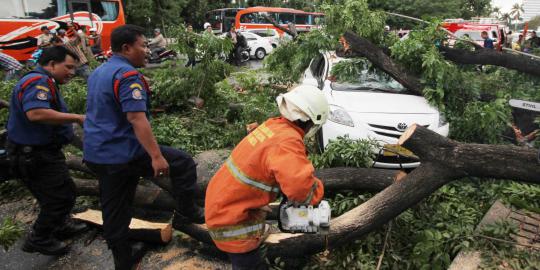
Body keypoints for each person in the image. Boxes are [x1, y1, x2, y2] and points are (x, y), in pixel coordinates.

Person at [83, 24, 204, 269]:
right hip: (122, 152)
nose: (147, 51)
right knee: (183, 163)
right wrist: (156, 157)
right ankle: (186, 213)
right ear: (127, 48)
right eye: (143, 45)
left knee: (115, 207)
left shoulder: (101, 71)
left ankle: (123, 260)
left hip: (97, 152)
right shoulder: (128, 76)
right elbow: (137, 118)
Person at [205, 85, 328, 270]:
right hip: (232, 221)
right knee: (249, 264)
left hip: (222, 202)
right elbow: (300, 191)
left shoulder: (273, 125)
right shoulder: (287, 142)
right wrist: (317, 190)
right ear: (311, 121)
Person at [6, 46, 87, 256]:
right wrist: (77, 118)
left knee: (62, 192)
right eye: (68, 67)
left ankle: (59, 226)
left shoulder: (44, 81)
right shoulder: (37, 81)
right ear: (52, 64)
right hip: (34, 155)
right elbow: (36, 113)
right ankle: (39, 238)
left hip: (42, 151)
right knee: (59, 197)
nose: (71, 73)